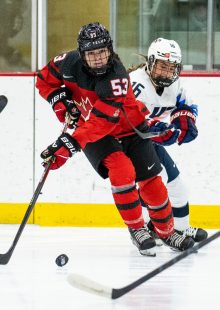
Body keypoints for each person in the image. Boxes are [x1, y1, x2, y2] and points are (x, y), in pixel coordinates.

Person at [35, 22, 195, 256]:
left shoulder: (117, 76)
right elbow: (44, 80)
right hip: (94, 133)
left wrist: (69, 144)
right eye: (91, 53)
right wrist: (62, 101)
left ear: (109, 50)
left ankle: (167, 231)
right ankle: (137, 229)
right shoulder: (66, 62)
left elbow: (103, 121)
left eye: (102, 52)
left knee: (153, 182)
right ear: (81, 54)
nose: (98, 58)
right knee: (122, 171)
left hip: (127, 127)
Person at [128, 37, 208, 243]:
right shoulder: (136, 83)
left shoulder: (175, 84)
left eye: (172, 67)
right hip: (126, 143)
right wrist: (155, 129)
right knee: (154, 185)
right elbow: (131, 120)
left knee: (177, 186)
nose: (167, 72)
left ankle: (180, 228)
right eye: (163, 66)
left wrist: (185, 120)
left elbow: (186, 106)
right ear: (151, 62)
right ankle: (145, 228)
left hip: (147, 142)